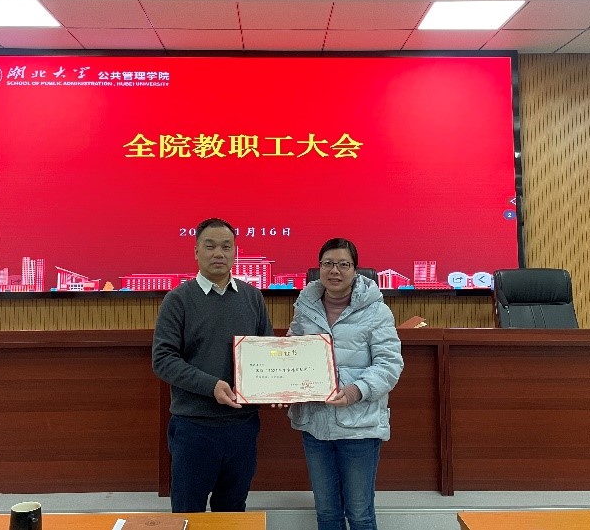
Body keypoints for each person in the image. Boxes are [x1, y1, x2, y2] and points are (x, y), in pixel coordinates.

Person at [152, 217, 274, 513]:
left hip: (242, 427)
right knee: (188, 511)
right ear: (196, 252)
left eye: (226, 247)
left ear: (235, 252)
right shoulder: (178, 300)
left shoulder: (252, 297)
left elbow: (268, 351)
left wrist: (277, 388)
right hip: (194, 428)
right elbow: (163, 359)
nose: (218, 253)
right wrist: (212, 386)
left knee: (232, 510)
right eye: (210, 246)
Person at [287, 238, 403, 530]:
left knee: (360, 514)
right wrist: (283, 387)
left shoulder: (377, 311)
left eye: (343, 264)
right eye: (328, 263)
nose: (334, 270)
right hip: (315, 423)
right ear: (319, 268)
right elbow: (291, 352)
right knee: (327, 513)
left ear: (355, 270)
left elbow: (389, 365)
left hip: (359, 426)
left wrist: (354, 391)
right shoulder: (305, 307)